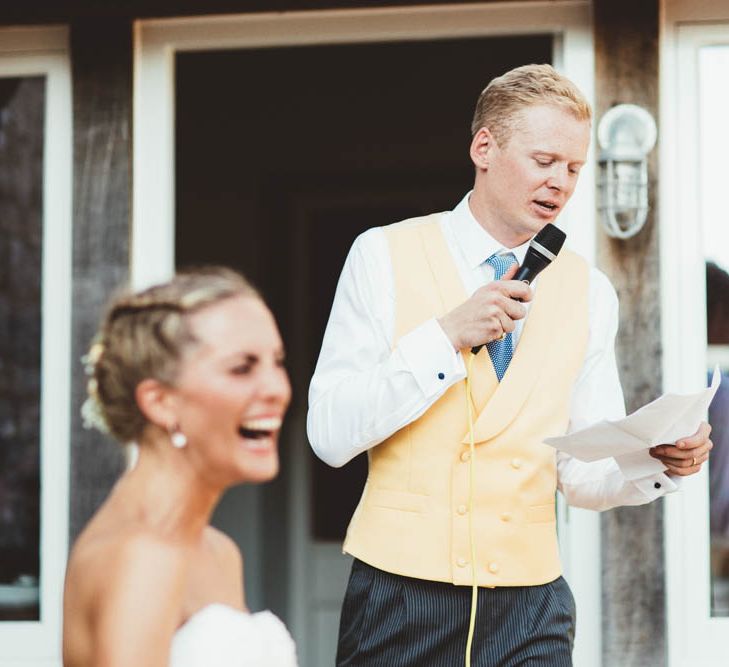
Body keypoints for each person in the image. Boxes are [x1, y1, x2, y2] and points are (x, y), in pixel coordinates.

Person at [307, 64, 713, 666]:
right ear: (484, 148)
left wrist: (653, 460)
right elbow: (330, 434)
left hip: (533, 606)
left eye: (574, 169)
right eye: (545, 160)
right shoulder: (381, 254)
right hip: (399, 598)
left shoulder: (590, 289)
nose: (561, 183)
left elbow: (580, 471)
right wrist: (444, 337)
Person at [63, 268, 297, 667]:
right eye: (242, 367)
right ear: (160, 402)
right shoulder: (140, 558)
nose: (278, 389)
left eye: (277, 362)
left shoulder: (218, 551)